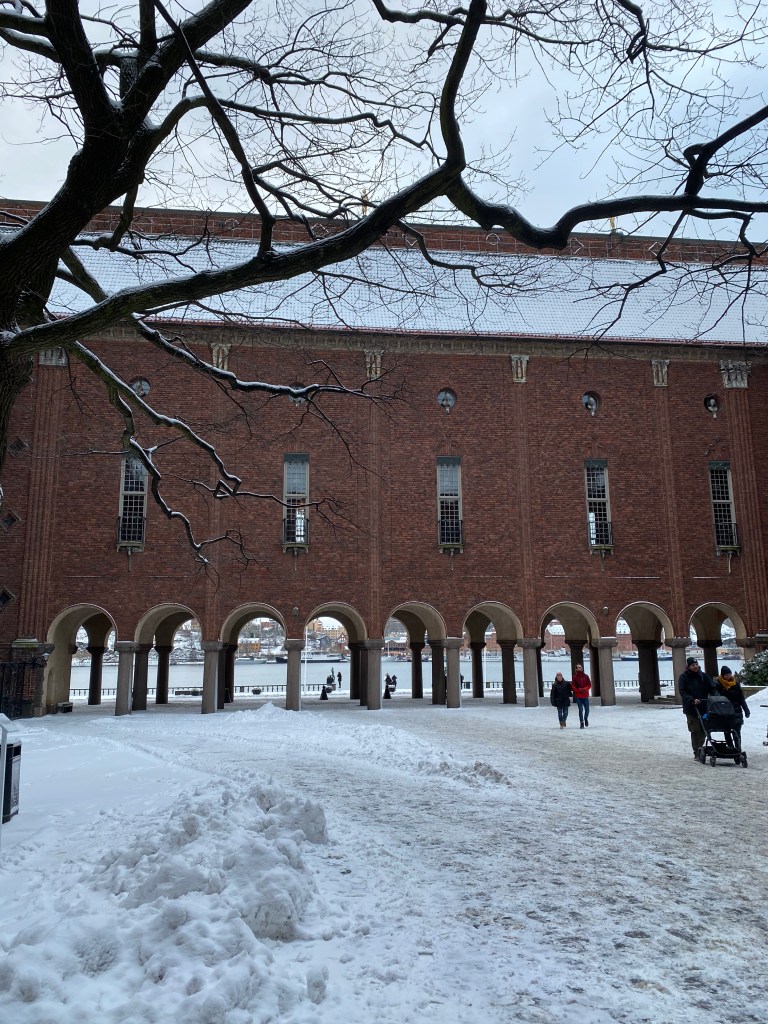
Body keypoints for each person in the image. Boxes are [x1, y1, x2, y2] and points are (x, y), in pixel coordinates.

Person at [678, 657, 716, 758]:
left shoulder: (704, 676)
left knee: (704, 729)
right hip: (691, 708)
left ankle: (700, 748)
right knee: (695, 730)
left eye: (696, 665)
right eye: (693, 665)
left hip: (704, 707)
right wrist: (692, 700)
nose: (695, 667)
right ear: (688, 666)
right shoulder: (683, 677)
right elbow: (682, 691)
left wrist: (716, 696)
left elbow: (712, 687)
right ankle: (696, 751)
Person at [715, 664, 751, 749]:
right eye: (726, 675)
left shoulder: (735, 684)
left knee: (737, 731)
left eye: (729, 674)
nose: (728, 677)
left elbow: (741, 698)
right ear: (722, 676)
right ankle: (730, 747)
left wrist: (746, 710)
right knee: (727, 731)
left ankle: (738, 748)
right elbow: (716, 697)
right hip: (725, 711)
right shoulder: (718, 684)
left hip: (736, 710)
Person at [571, 663, 591, 728]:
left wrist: (585, 689)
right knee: (580, 709)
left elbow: (589, 684)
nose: (580, 668)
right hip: (578, 696)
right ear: (576, 669)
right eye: (579, 667)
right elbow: (573, 686)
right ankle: (581, 722)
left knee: (587, 709)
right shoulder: (575, 677)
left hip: (585, 695)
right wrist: (578, 690)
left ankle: (585, 718)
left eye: (581, 667)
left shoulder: (586, 676)